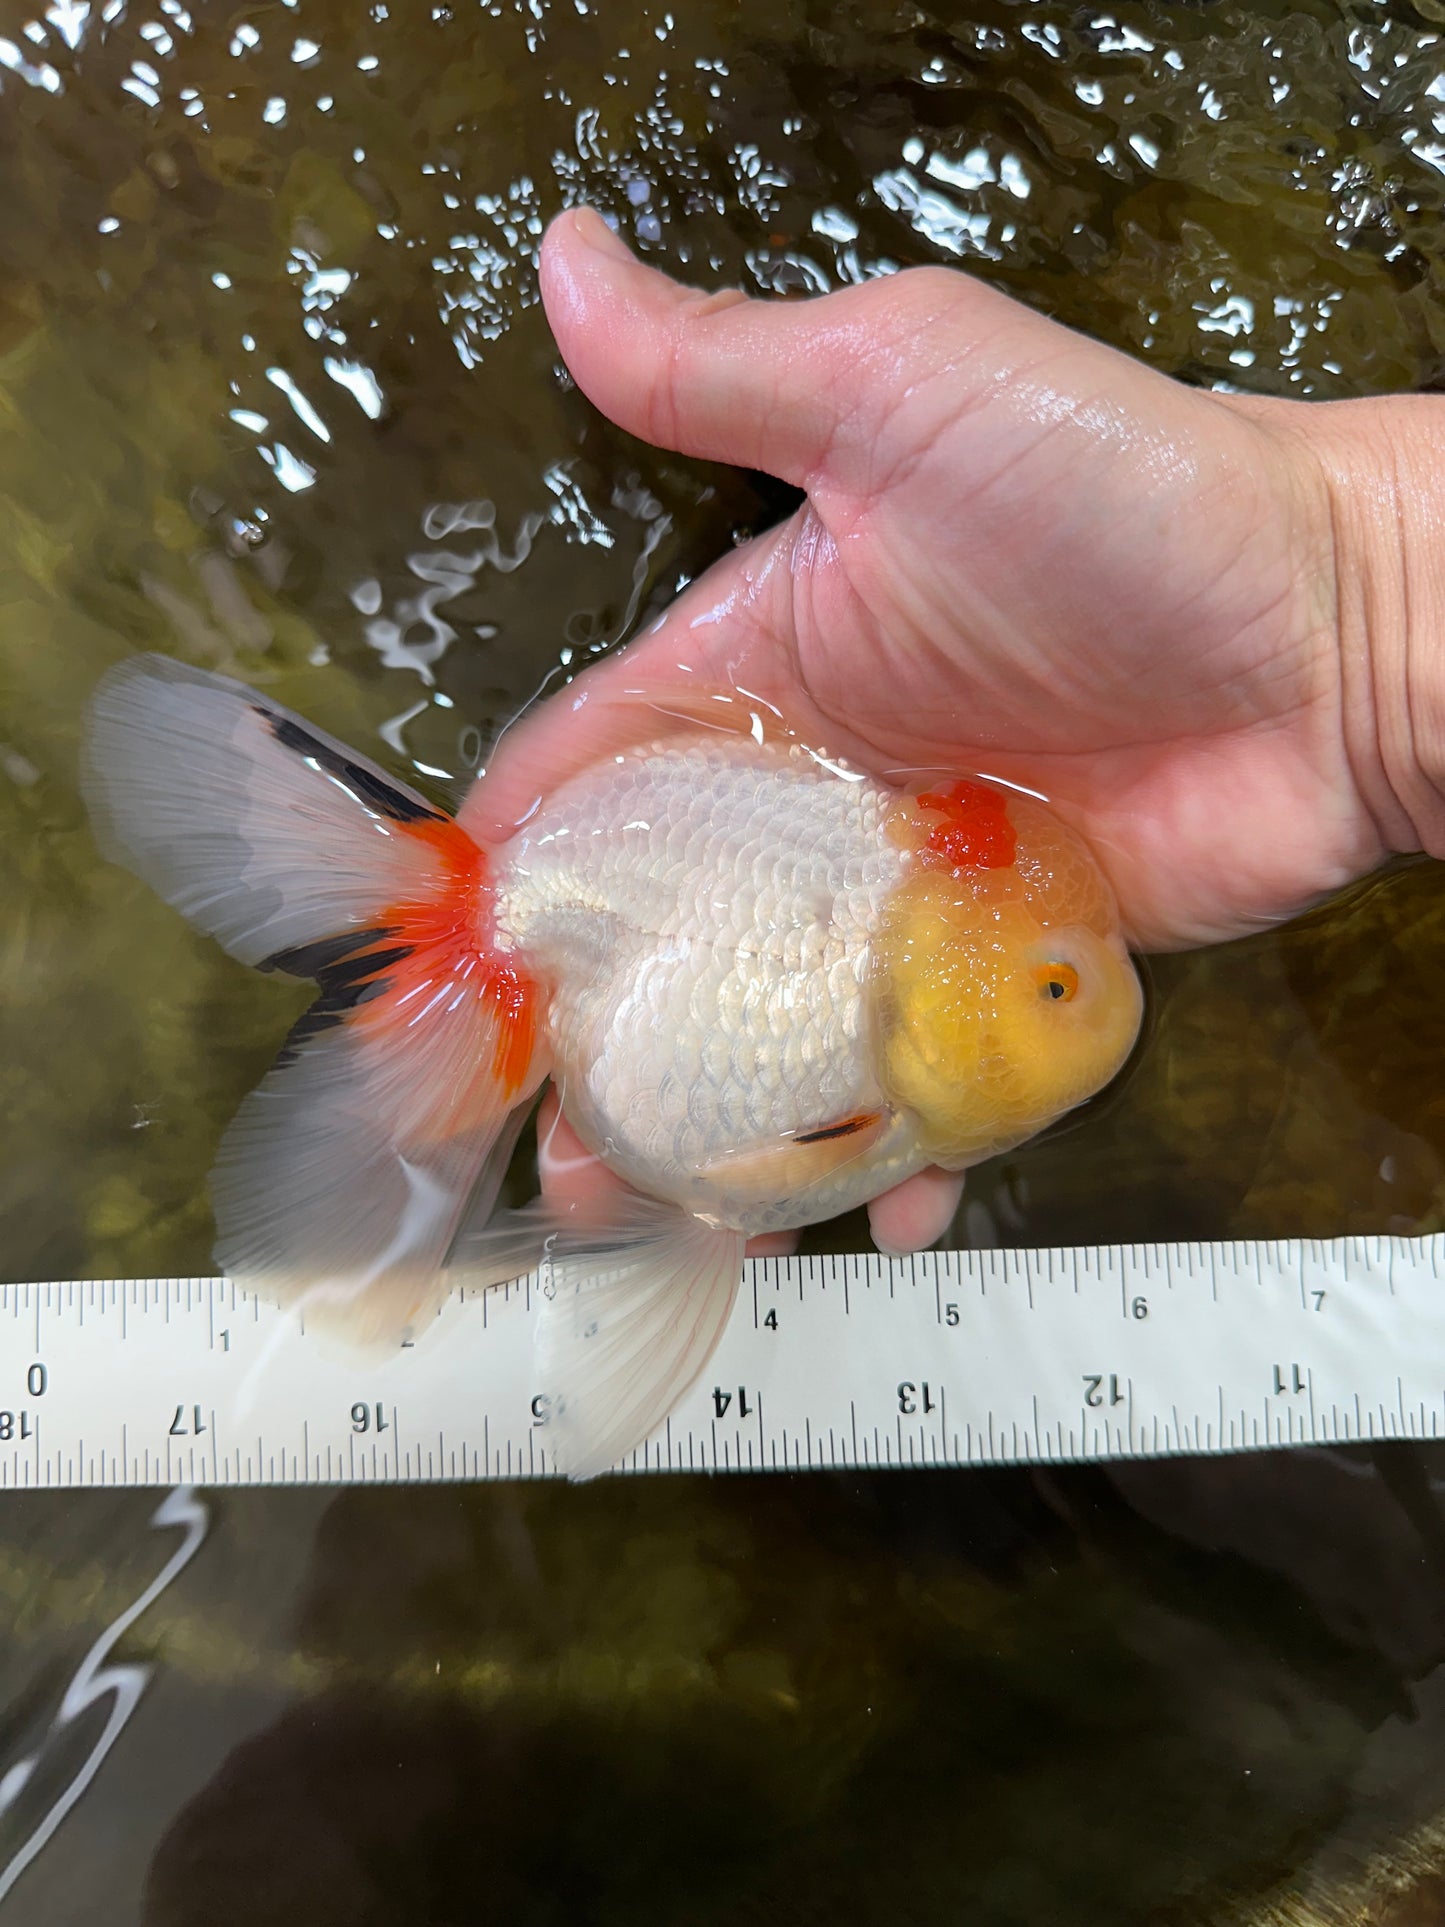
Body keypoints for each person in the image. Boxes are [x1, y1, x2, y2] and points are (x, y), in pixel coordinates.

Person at [475, 206, 1445, 1255]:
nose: (1089, 977)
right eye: (1051, 984)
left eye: (1054, 980)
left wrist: (1357, 592)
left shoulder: (901, 962)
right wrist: (1355, 605)